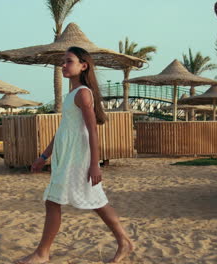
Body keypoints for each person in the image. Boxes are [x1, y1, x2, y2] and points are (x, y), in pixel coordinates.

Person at [16, 46, 134, 264]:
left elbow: (92, 130)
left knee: (55, 201)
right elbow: (63, 130)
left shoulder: (82, 94)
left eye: (69, 61)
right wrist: (44, 156)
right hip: (68, 156)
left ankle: (42, 253)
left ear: (83, 66)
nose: (63, 65)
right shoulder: (72, 94)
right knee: (95, 201)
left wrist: (95, 165)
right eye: (64, 61)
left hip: (78, 158)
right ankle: (124, 241)